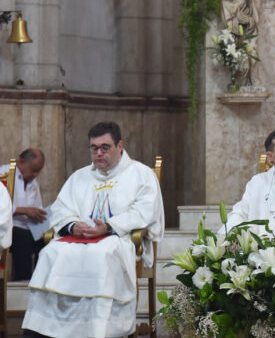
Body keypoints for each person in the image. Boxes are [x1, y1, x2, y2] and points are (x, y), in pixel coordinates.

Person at [22, 121, 163, 338]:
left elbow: (145, 211)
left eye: (105, 147)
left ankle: (99, 330)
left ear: (120, 146)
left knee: (101, 254)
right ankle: (46, 329)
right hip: (78, 238)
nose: (98, 153)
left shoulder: (141, 174)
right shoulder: (79, 176)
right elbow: (61, 208)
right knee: (50, 251)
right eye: (94, 148)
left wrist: (107, 227)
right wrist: (72, 225)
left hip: (119, 238)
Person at [0, 148, 48, 280]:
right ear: (21, 161)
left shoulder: (33, 183)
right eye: (33, 170)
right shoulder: (3, 174)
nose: (35, 175)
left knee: (48, 241)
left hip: (29, 227)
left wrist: (43, 222)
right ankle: (22, 282)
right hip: (8, 225)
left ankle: (39, 281)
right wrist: (24, 210)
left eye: (38, 171)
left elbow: (37, 208)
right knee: (23, 238)